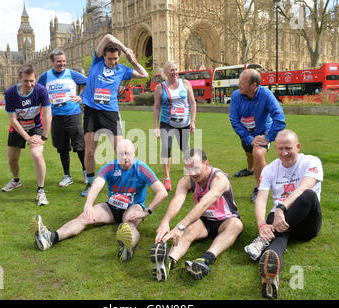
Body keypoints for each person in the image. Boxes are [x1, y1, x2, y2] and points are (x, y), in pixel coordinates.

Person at [31, 139, 168, 262]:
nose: (125, 158)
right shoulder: (109, 167)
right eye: (122, 154)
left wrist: (146, 211)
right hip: (111, 207)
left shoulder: (142, 168)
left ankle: (127, 249)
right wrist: (88, 205)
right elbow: (96, 185)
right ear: (116, 153)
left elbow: (162, 192)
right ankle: (51, 237)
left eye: (128, 154)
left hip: (133, 207)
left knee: (129, 224)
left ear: (134, 153)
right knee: (84, 218)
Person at [244, 130, 323, 299]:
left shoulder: (311, 161)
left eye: (288, 148)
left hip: (306, 223)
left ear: (298, 147)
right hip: (279, 223)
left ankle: (263, 240)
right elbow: (261, 199)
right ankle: (270, 278)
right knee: (277, 240)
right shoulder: (270, 169)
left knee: (309, 196)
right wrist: (261, 225)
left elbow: (303, 189)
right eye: (280, 148)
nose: (284, 153)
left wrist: (281, 208)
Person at [151, 149, 243, 281]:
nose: (192, 173)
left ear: (206, 164)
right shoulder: (187, 180)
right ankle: (168, 263)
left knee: (237, 225)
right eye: (188, 169)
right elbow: (177, 200)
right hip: (205, 221)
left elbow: (204, 204)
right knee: (188, 230)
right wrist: (165, 222)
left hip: (226, 220)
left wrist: (180, 226)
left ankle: (204, 260)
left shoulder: (219, 179)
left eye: (195, 168)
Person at [80, 34, 149, 197]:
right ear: (103, 56)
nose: (113, 62)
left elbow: (145, 75)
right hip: (91, 110)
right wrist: (125, 49)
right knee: (90, 151)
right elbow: (107, 36)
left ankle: (125, 182)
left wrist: (133, 61)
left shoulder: (122, 70)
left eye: (116, 59)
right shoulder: (96, 63)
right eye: (110, 59)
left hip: (110, 112)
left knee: (121, 150)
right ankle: (90, 183)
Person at [229, 69, 286, 203]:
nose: (239, 85)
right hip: (246, 133)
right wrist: (248, 138)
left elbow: (280, 118)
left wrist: (268, 137)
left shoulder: (266, 95)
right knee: (249, 152)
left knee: (258, 153)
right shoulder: (236, 96)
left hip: (263, 133)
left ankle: (260, 189)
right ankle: (250, 169)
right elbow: (234, 120)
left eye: (242, 83)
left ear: (254, 85)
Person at [1, 64, 52, 206]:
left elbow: (48, 115)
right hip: (18, 128)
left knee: (37, 155)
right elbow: (13, 119)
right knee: (12, 158)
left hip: (36, 127)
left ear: (35, 79)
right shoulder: (10, 93)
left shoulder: (41, 90)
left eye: (32, 81)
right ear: (19, 79)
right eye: (26, 81)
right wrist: (27, 138)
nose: (29, 84)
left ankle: (41, 191)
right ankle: (16, 181)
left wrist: (44, 137)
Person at [38, 48, 88, 188]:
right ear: (52, 62)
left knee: (80, 146)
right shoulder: (45, 77)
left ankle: (85, 172)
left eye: (64, 61)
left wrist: (81, 96)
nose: (62, 64)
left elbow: (89, 83)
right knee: (62, 148)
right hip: (56, 117)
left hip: (73, 114)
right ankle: (67, 175)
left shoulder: (71, 73)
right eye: (59, 61)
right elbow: (37, 91)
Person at [153, 61, 196, 191]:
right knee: (167, 148)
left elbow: (192, 103)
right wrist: (156, 127)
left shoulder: (186, 84)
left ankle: (191, 178)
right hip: (167, 123)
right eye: (172, 70)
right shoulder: (160, 88)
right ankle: (167, 178)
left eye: (176, 69)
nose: (175, 72)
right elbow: (156, 108)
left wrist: (193, 121)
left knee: (185, 149)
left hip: (184, 123)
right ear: (165, 72)